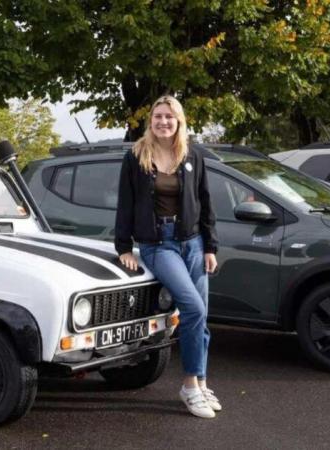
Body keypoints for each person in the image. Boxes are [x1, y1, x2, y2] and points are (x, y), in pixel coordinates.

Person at [115, 96, 221, 419]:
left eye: (169, 117)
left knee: (200, 317)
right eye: (158, 116)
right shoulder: (136, 157)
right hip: (158, 245)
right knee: (193, 307)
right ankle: (189, 386)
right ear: (151, 121)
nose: (163, 122)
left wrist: (210, 246)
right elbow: (125, 204)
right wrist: (123, 248)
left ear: (179, 121)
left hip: (192, 242)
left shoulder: (193, 155)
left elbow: (206, 202)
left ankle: (201, 382)